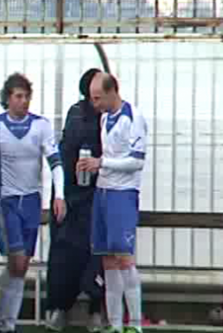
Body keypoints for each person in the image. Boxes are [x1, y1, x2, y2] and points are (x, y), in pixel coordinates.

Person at [0, 73, 66, 333]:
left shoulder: (41, 126)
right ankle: (5, 323)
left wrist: (59, 195)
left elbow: (55, 162)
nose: (23, 101)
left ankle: (0, 316)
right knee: (19, 260)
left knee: (20, 266)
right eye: (18, 96)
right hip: (6, 201)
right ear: (8, 98)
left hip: (32, 201)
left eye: (26, 96)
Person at [76, 73, 147, 333]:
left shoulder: (133, 117)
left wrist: (102, 163)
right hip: (103, 192)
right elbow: (107, 155)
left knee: (125, 257)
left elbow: (137, 161)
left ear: (111, 92)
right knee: (107, 259)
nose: (94, 104)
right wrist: (93, 165)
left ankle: (136, 323)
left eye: (97, 98)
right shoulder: (105, 118)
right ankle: (115, 324)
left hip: (123, 193)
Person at [44, 68, 105, 332]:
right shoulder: (77, 114)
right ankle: (59, 307)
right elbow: (67, 151)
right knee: (63, 253)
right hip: (69, 194)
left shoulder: (112, 117)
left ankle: (95, 307)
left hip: (96, 196)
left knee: (96, 253)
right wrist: (61, 195)